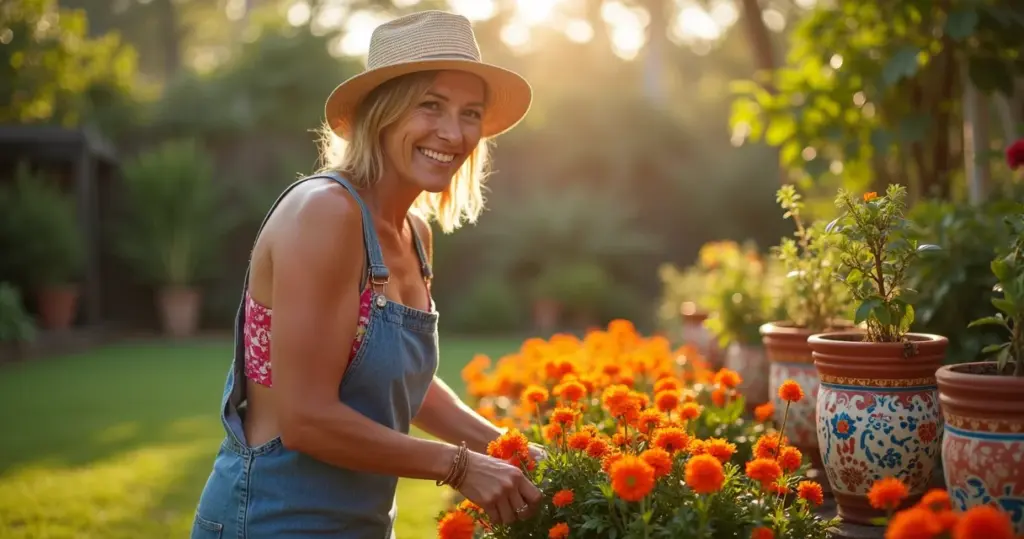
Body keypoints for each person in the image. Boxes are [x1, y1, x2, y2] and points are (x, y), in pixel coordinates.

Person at [190, 10, 543, 539]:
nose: (453, 132)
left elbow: (397, 384)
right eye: (431, 106)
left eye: (470, 113)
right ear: (382, 112)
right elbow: (306, 418)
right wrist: (460, 465)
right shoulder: (325, 214)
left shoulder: (414, 234)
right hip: (271, 520)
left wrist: (507, 448)